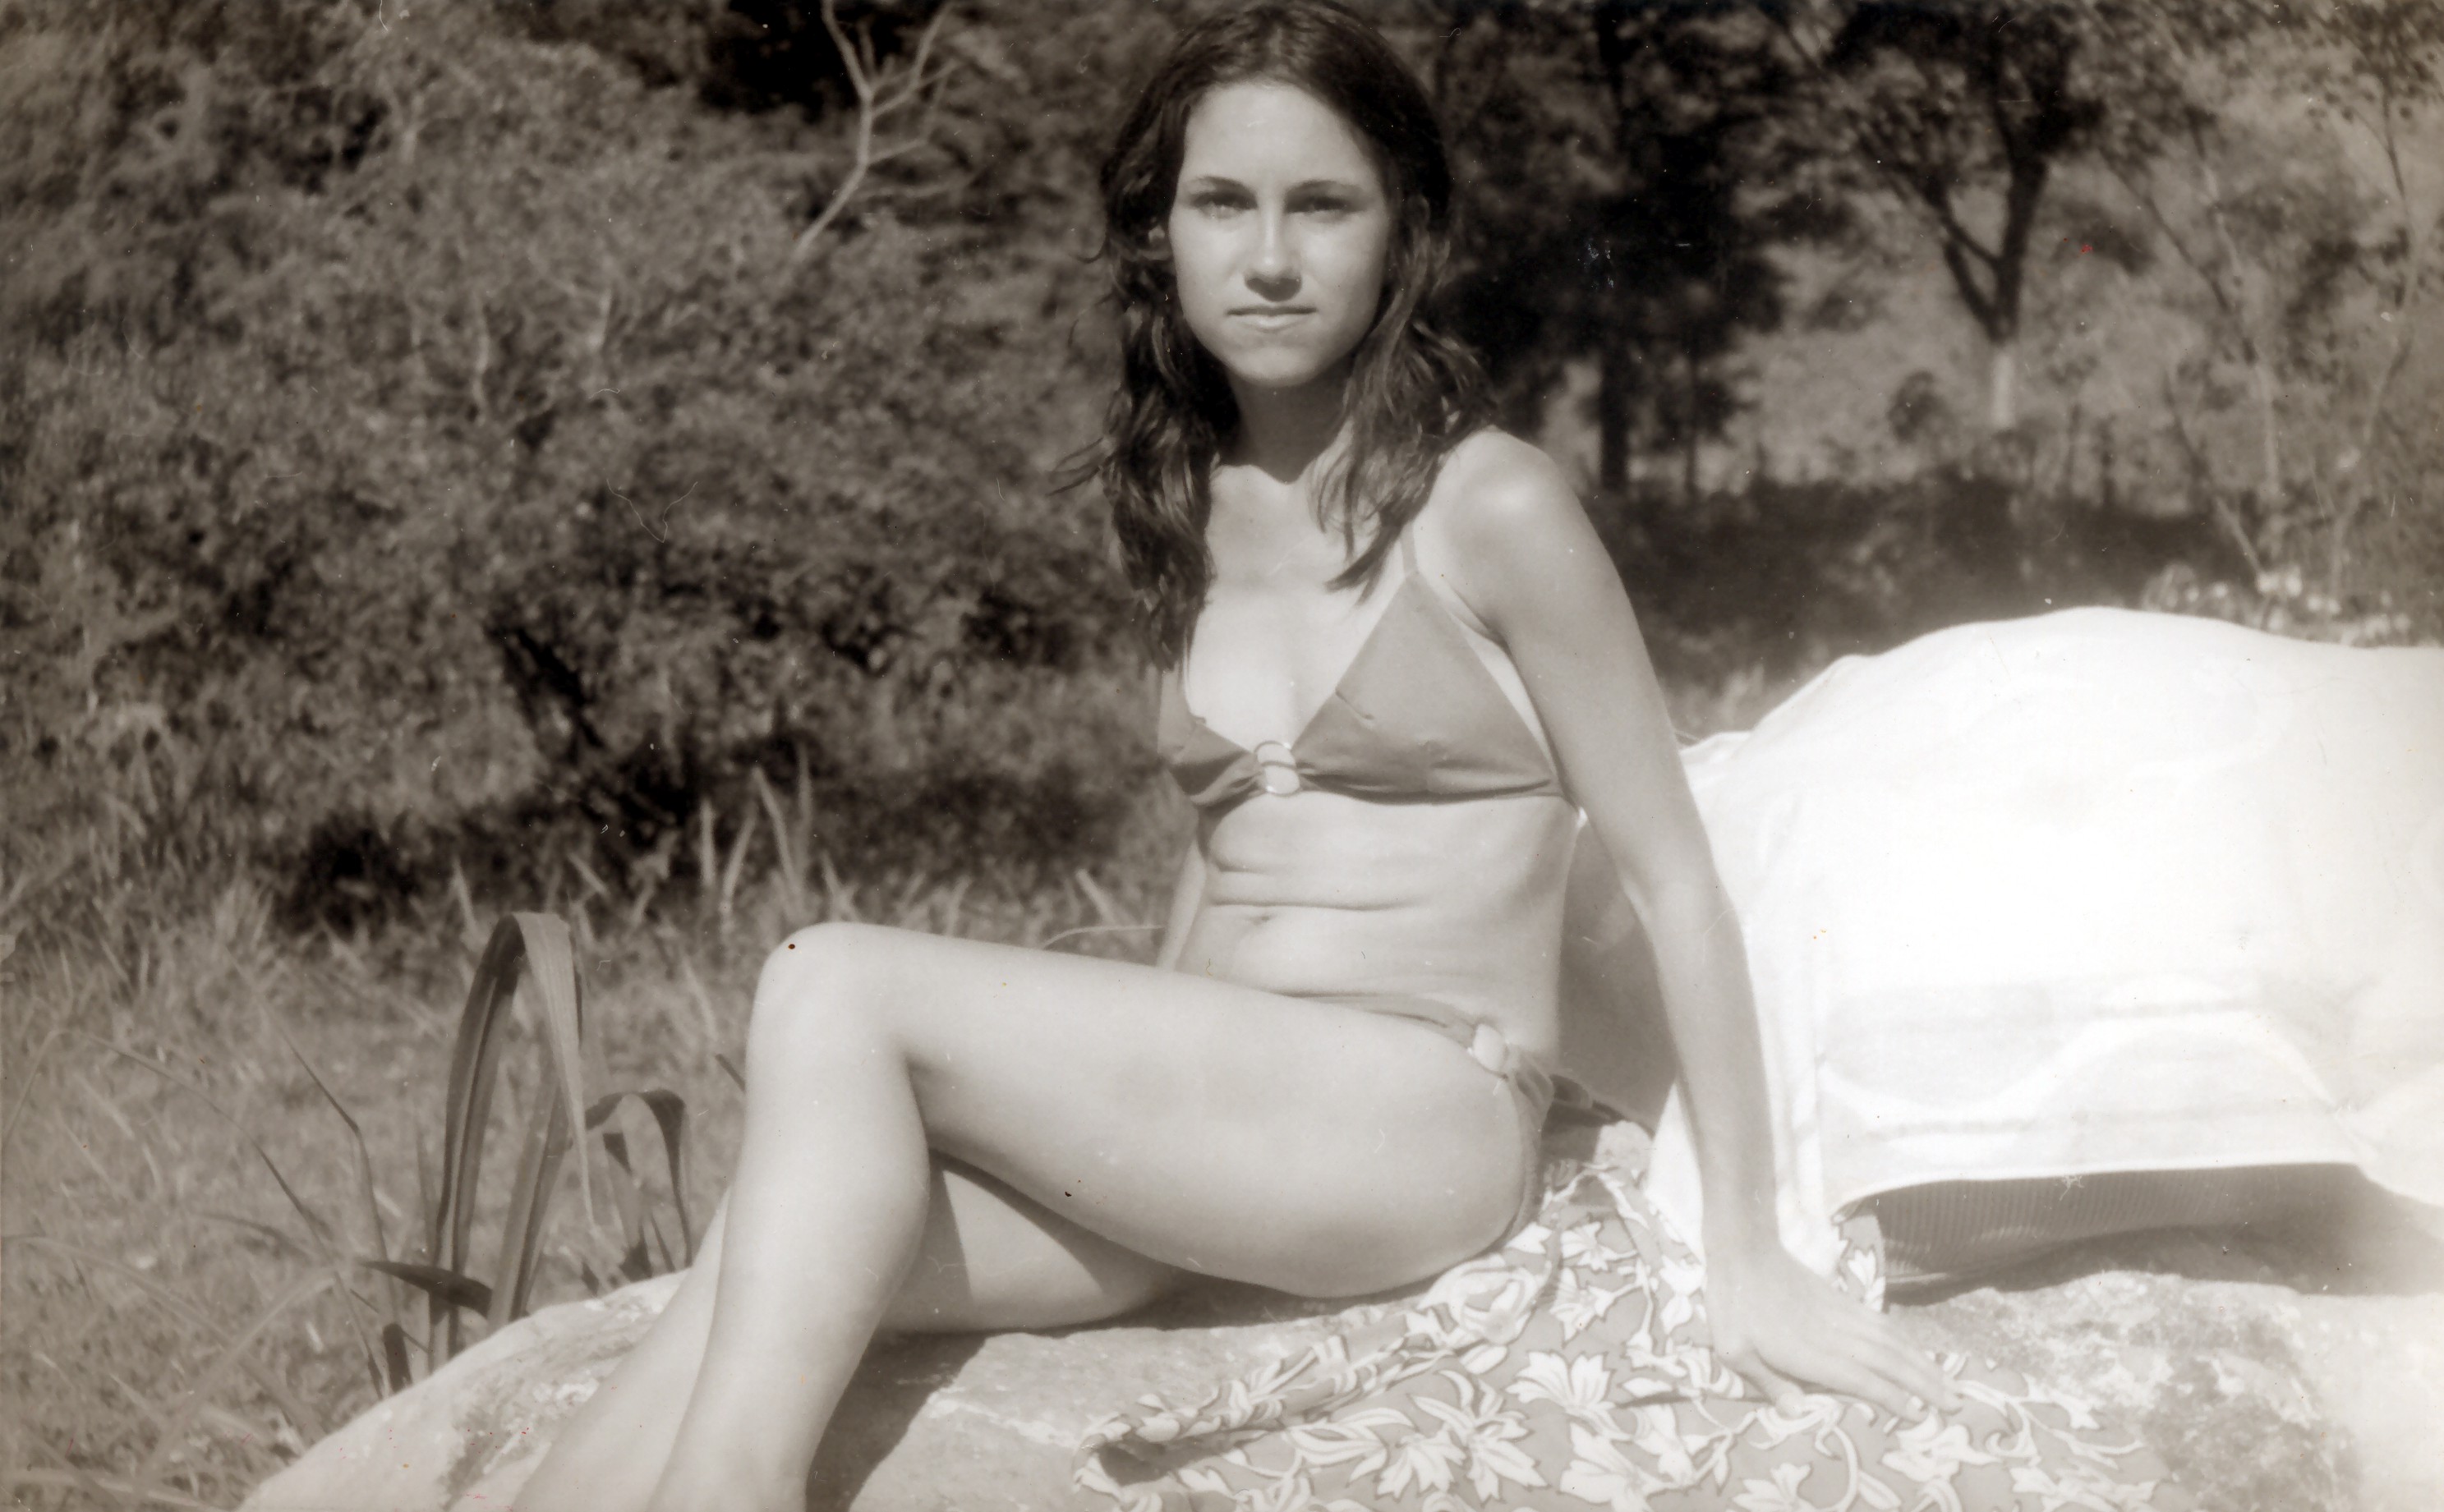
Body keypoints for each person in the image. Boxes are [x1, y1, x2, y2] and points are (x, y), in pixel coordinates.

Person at [519, 7, 2184, 1510]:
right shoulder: (1183, 514)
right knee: (769, 1244)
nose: (1267, 256)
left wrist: (1744, 1245)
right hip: (1240, 1129)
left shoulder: (1494, 506)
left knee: (829, 977)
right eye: (1219, 205)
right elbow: (1221, 856)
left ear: (1405, 241)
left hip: (1417, 1112)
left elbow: (1676, 873)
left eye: (1323, 206)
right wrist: (1121, 1097)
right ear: (1156, 237)